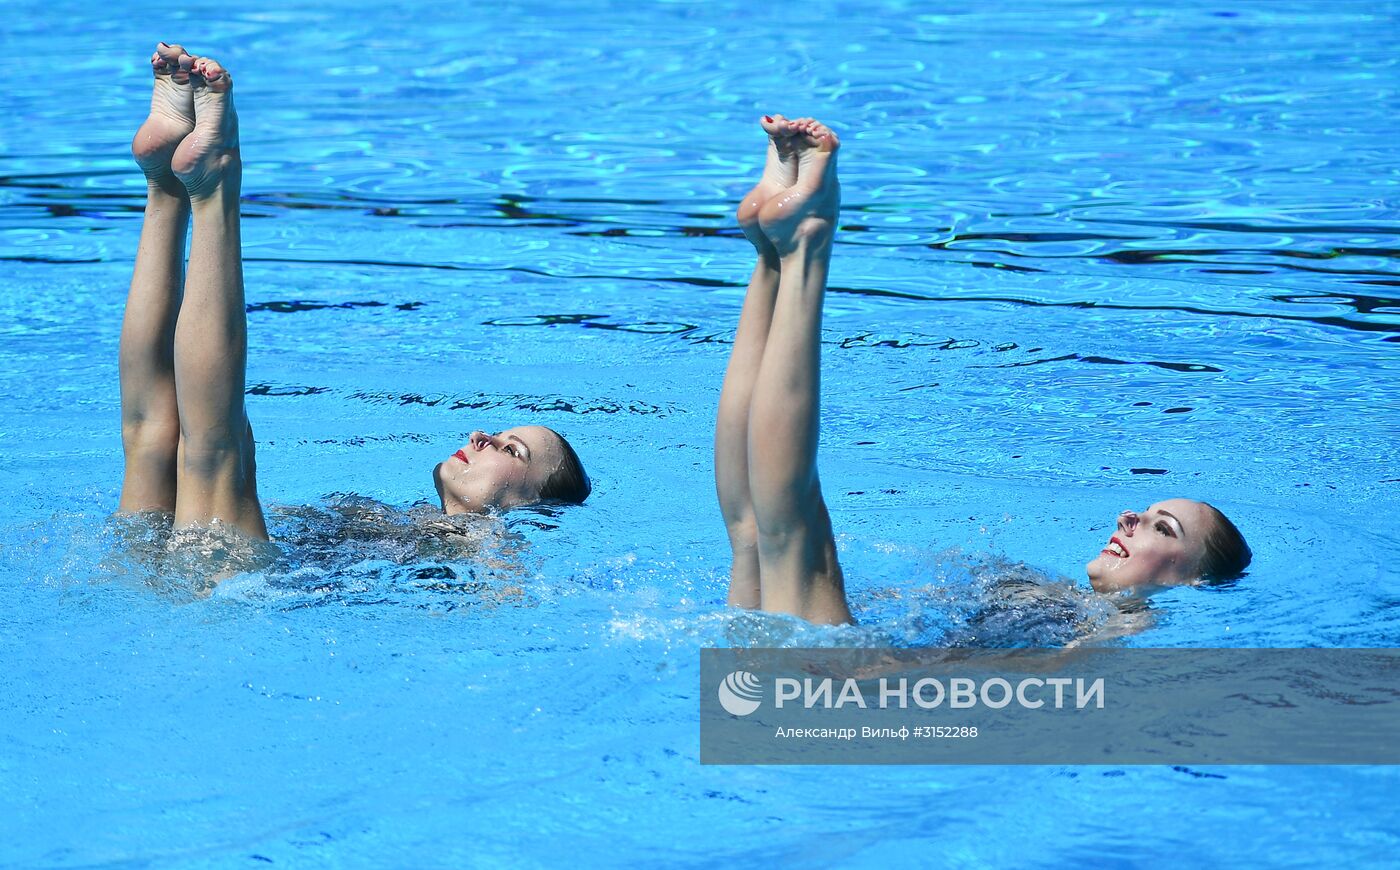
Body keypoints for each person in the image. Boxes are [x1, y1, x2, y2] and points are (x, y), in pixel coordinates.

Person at [713, 115, 1251, 625]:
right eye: (1149, 511)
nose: (1129, 517)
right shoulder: (1059, 598)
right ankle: (777, 253)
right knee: (759, 537)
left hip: (841, 674)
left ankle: (791, 248)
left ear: (1192, 582)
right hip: (812, 661)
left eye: (1164, 528)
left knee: (781, 531)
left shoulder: (1126, 630)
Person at [119, 44, 588, 543]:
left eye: (511, 450)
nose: (481, 436)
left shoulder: (490, 547)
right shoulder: (389, 522)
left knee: (213, 452)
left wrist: (503, 562)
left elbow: (512, 601)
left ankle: (202, 189)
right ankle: (167, 185)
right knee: (158, 439)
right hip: (156, 563)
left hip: (222, 578)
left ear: (531, 506)